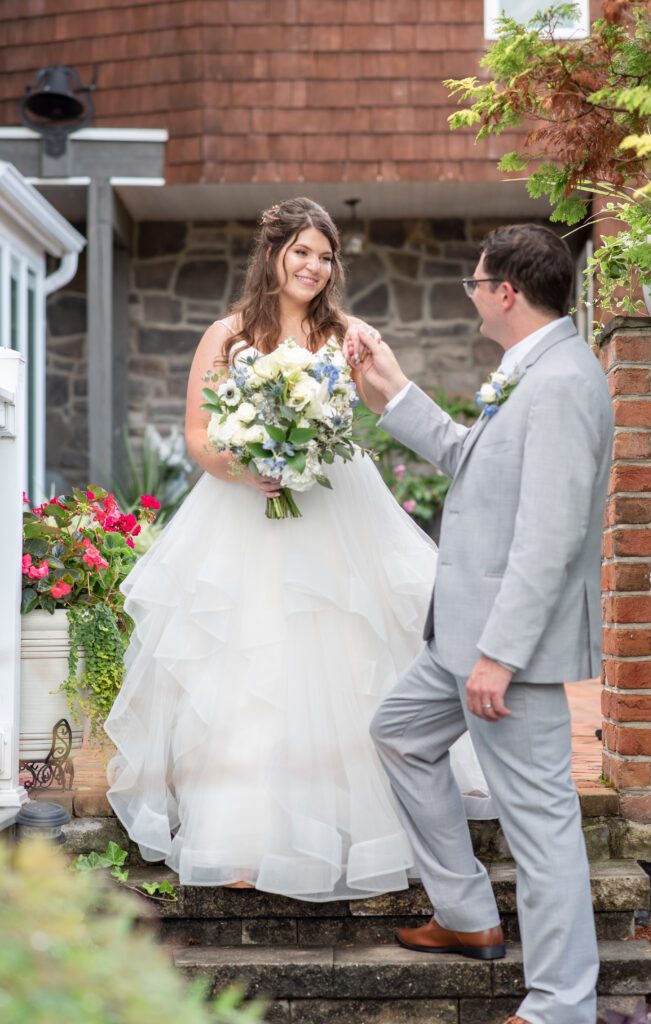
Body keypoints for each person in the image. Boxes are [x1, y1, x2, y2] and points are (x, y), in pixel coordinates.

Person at [105, 197, 493, 902]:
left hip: (335, 508)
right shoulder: (225, 335)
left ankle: (345, 836)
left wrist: (355, 394)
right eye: (303, 252)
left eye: (326, 255)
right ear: (273, 254)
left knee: (344, 661)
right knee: (250, 671)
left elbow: (385, 402)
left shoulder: (348, 334)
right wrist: (247, 466)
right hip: (244, 513)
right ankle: (245, 839)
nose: (315, 266)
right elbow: (199, 437)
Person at [345, 223, 612, 1024]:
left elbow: (551, 536)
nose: (471, 294)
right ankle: (469, 916)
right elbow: (472, 462)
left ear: (506, 293)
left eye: (474, 282)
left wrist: (499, 655)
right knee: (398, 733)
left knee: (542, 826)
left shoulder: (564, 381)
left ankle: (562, 1004)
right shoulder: (527, 368)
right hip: (455, 640)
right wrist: (391, 391)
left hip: (504, 652)